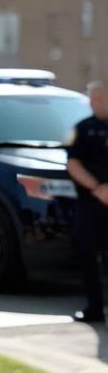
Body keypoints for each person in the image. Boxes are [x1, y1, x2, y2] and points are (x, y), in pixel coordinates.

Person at [66, 81, 108, 323]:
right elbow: (73, 163)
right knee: (88, 254)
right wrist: (98, 188)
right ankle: (94, 308)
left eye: (100, 99)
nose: (95, 104)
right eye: (92, 99)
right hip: (91, 203)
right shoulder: (81, 129)